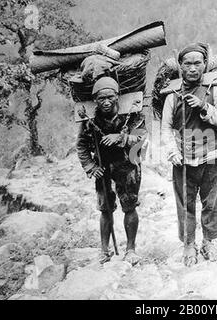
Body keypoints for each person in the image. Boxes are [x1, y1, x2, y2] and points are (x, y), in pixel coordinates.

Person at [161, 43, 217, 267]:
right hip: (184, 159)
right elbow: (165, 127)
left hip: (211, 156)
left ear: (205, 64)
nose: (192, 68)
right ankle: (189, 244)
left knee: (211, 202)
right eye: (187, 64)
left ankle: (209, 242)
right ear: (180, 66)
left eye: (197, 63)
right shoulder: (172, 94)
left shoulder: (215, 88)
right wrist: (172, 150)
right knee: (186, 203)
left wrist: (204, 106)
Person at [76, 76, 147, 265]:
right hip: (103, 166)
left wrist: (121, 138)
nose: (106, 102)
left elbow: (141, 139)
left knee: (129, 206)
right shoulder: (89, 118)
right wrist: (90, 166)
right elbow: (81, 145)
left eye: (110, 97)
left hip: (128, 164)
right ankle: (104, 250)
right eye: (101, 99)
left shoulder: (131, 113)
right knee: (105, 208)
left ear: (118, 96)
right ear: (95, 100)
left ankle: (130, 250)